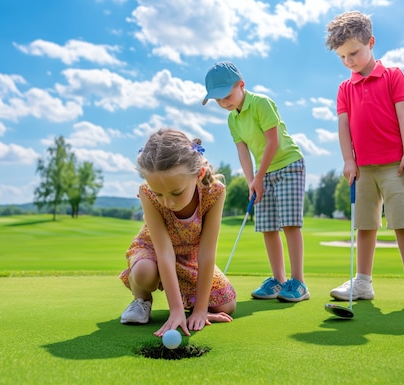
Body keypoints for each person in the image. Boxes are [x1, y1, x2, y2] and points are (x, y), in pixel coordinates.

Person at [324, 10, 404, 309]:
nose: (349, 61)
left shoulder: (393, 76)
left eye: (354, 53)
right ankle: (362, 282)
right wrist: (349, 161)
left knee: (403, 222)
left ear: (371, 42)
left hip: (395, 165)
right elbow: (343, 127)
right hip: (362, 170)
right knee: (365, 225)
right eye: (342, 57)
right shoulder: (344, 88)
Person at [202, 61, 309, 303]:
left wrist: (259, 176)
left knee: (290, 224)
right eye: (218, 100)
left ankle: (298, 282)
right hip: (263, 172)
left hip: (288, 165)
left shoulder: (261, 103)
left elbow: (272, 142)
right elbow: (243, 151)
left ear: (241, 85)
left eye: (226, 96)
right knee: (267, 226)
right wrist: (251, 181)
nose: (223, 103)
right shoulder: (233, 120)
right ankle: (279, 280)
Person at [119, 128, 236, 338]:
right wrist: (176, 311)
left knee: (226, 305)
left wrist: (200, 310)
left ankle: (192, 306)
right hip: (153, 252)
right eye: (159, 193)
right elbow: (164, 252)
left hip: (189, 256)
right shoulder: (146, 193)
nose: (168, 202)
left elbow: (207, 253)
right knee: (145, 272)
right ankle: (142, 300)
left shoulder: (215, 192)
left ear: (198, 175)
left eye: (176, 192)